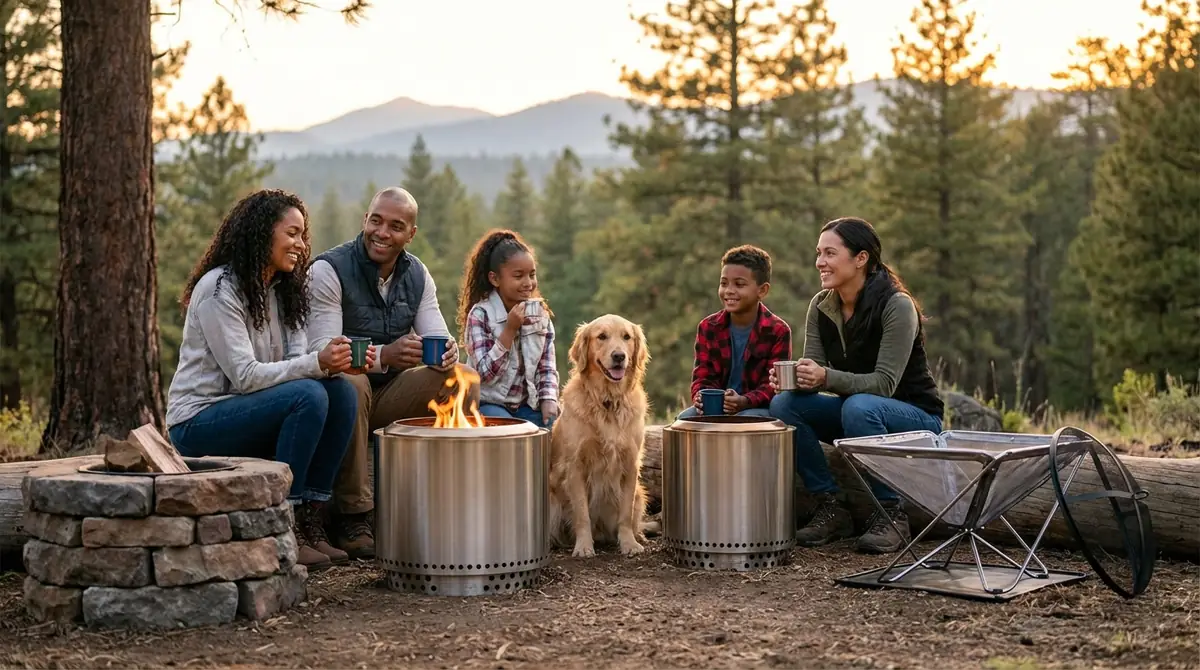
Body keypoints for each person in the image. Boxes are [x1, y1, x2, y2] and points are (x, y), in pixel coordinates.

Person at [166, 188, 365, 571]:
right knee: (309, 392)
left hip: (251, 412)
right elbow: (244, 377)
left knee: (339, 391)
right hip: (198, 422)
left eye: (303, 235)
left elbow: (294, 363)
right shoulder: (219, 289)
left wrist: (329, 363)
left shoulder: (282, 291)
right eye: (292, 233)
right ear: (261, 232)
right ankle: (282, 523)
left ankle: (310, 517)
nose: (301, 244)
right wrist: (316, 364)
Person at [306, 186, 475, 560]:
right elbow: (323, 351)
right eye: (376, 221)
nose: (382, 233)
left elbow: (436, 331)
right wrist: (386, 355)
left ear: (410, 234)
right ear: (365, 220)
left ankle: (439, 505)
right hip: (339, 397)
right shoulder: (328, 270)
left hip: (388, 395)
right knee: (350, 382)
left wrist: (447, 351)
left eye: (396, 226)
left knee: (460, 379)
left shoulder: (417, 274)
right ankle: (354, 517)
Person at [768, 217, 944, 554]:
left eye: (830, 253)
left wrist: (826, 378)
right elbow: (816, 370)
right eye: (819, 253)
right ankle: (831, 507)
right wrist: (796, 380)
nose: (820, 261)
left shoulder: (896, 305)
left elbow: (884, 384)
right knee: (785, 406)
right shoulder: (822, 305)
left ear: (860, 258)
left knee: (859, 405)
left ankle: (892, 514)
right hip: (859, 410)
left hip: (916, 417)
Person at [458, 229, 559, 429]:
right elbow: (483, 374)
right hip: (489, 403)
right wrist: (509, 331)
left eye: (532, 275)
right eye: (518, 276)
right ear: (495, 279)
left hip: (525, 405)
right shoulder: (480, 315)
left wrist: (549, 399)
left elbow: (546, 366)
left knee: (552, 424)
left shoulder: (540, 315)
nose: (528, 283)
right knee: (509, 430)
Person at [680, 245, 792, 419]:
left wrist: (744, 400)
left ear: (762, 290)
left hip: (758, 408)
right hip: (717, 407)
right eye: (724, 283)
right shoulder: (708, 327)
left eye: (739, 284)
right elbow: (702, 376)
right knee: (684, 420)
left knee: (744, 419)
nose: (729, 290)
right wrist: (702, 398)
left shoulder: (778, 331)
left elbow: (773, 387)